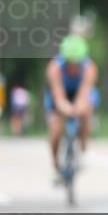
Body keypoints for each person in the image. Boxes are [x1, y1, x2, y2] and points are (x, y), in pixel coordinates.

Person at [45, 35, 99, 182]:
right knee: (55, 128)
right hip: (61, 94)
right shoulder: (54, 68)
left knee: (86, 112)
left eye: (77, 63)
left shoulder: (90, 69)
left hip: (80, 92)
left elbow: (84, 94)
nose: (74, 67)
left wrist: (78, 108)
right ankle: (56, 164)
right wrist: (64, 108)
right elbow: (58, 95)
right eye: (70, 63)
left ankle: (83, 147)